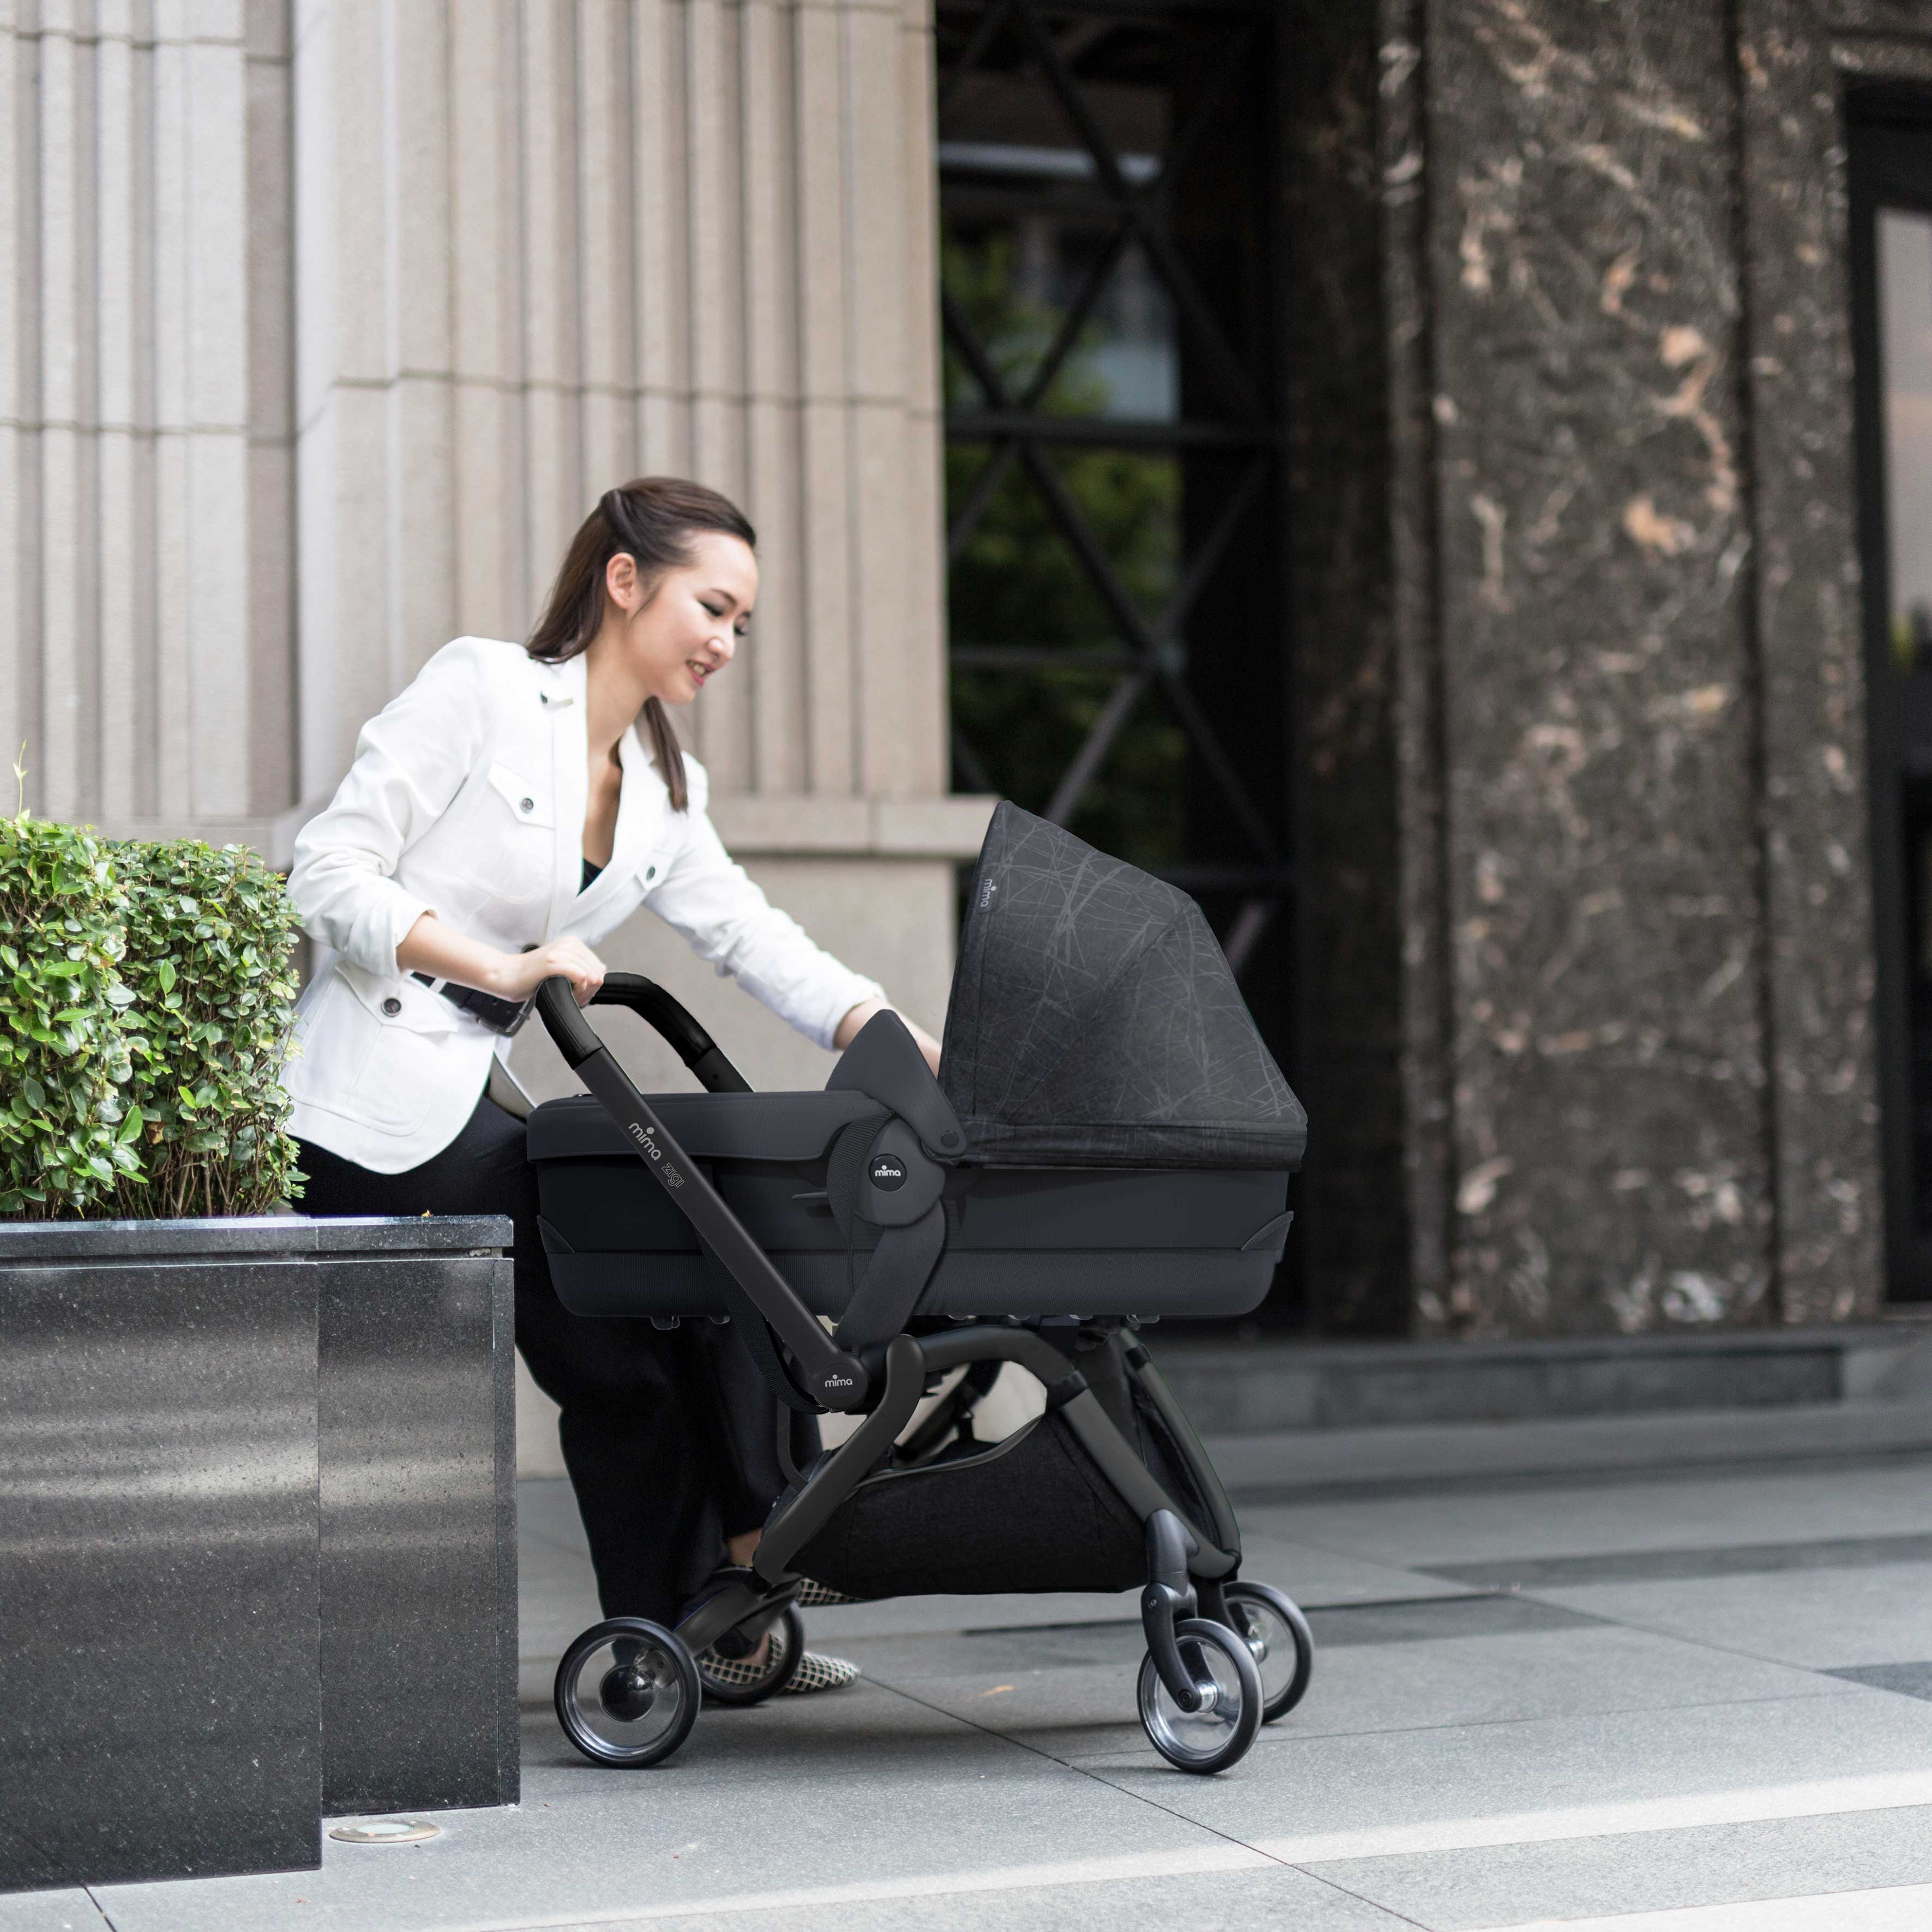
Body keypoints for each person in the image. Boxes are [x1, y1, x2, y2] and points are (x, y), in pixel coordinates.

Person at [286, 477, 941, 1693]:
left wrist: (890, 1028)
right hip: (368, 1101)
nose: (725, 641)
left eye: (742, 622)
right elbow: (323, 869)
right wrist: (501, 963)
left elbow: (755, 938)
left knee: (661, 1308)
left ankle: (707, 1618)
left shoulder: (662, 792)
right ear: (625, 579)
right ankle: (739, 1574)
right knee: (648, 1263)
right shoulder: (481, 687)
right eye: (713, 605)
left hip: (474, 1098)